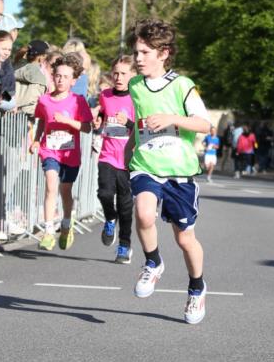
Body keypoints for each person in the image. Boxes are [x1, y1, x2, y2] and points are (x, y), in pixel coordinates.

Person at [126, 18, 211, 325]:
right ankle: (152, 262)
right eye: (136, 52)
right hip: (146, 165)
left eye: (144, 52)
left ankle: (197, 288)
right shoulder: (135, 86)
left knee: (185, 239)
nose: (138, 58)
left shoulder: (182, 85)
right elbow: (138, 124)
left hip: (179, 171)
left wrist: (170, 118)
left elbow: (204, 124)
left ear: (163, 54)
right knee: (144, 214)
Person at [30, 53, 93, 252]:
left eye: (65, 77)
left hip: (70, 154)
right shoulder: (45, 100)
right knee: (50, 185)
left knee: (65, 191)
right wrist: (36, 141)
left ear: (74, 80)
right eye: (57, 75)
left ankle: (66, 225)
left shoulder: (78, 101)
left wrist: (67, 121)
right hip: (50, 151)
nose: (60, 80)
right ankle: (48, 231)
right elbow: (41, 121)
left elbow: (87, 127)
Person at [96, 55, 136, 263]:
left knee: (126, 205)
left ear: (133, 75)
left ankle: (124, 245)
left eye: (124, 73)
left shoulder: (138, 98)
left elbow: (143, 129)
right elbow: (101, 114)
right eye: (116, 73)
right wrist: (98, 119)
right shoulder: (105, 95)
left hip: (128, 159)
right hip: (107, 155)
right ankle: (110, 217)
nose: (119, 77)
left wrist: (128, 122)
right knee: (104, 193)